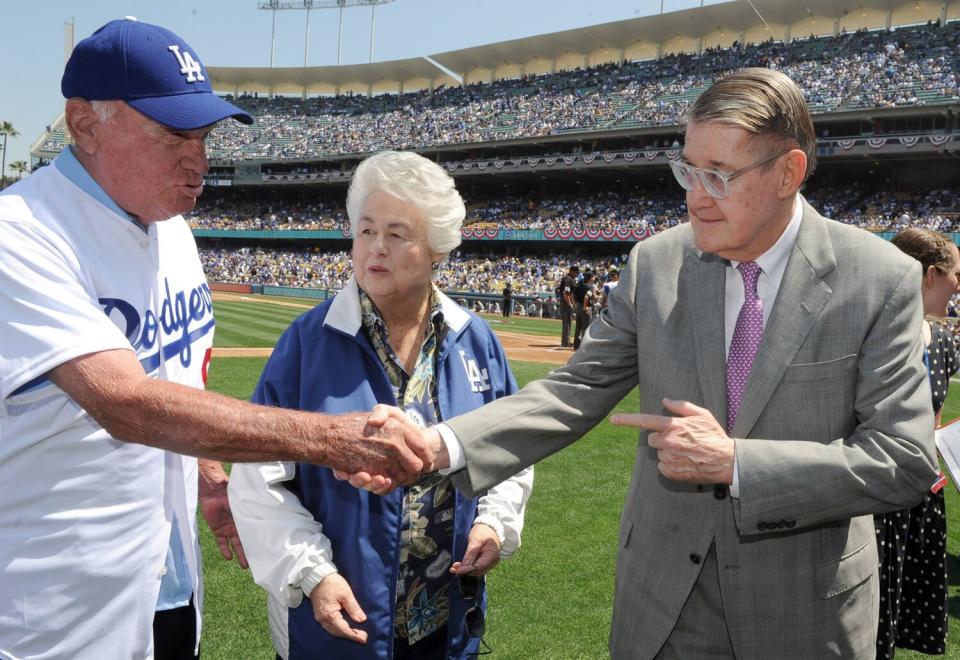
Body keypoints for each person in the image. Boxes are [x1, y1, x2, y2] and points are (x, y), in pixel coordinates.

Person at [357, 68, 938, 658]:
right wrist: (438, 446)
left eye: (719, 175)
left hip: (803, 613)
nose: (693, 195)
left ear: (788, 172)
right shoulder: (656, 263)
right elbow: (573, 391)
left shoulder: (879, 277)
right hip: (662, 604)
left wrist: (737, 463)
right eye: (688, 169)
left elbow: (905, 459)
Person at [0, 19, 425, 660]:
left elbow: (173, 369)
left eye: (202, 136)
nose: (197, 158)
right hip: (56, 611)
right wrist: (334, 439)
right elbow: (127, 401)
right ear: (84, 123)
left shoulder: (172, 229)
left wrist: (203, 472)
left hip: (169, 589)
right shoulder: (21, 235)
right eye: (173, 133)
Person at [228, 151, 533, 660]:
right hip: (337, 626)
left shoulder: (476, 341)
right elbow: (257, 478)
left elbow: (509, 450)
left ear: (437, 248)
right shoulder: (305, 343)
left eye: (397, 234)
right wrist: (313, 572)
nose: (376, 248)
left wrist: (493, 523)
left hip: (446, 625)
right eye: (366, 231)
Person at [874, 227, 959, 659]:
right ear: (930, 274)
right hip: (874, 500)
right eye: (955, 273)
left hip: (922, 498)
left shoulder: (943, 342)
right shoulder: (873, 333)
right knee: (868, 617)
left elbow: (935, 421)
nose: (958, 284)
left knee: (900, 618)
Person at [572, 271, 595, 349]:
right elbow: (586, 297)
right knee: (585, 327)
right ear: (590, 278)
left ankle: (576, 345)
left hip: (578, 307)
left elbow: (572, 295)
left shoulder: (580, 286)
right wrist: (585, 307)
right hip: (586, 308)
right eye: (593, 276)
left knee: (578, 327)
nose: (594, 278)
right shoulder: (590, 287)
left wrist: (575, 306)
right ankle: (583, 345)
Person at [558, 264, 579, 347]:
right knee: (567, 323)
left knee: (568, 322)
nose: (577, 274)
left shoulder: (571, 279)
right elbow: (566, 293)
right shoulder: (567, 279)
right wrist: (570, 304)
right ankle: (565, 342)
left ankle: (566, 341)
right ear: (572, 271)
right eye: (576, 272)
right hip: (566, 302)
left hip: (568, 302)